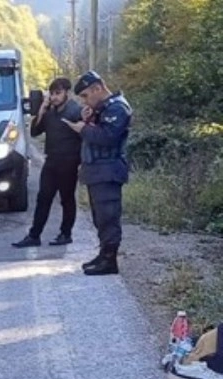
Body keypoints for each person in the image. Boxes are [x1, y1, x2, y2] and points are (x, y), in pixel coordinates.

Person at [65, 70, 133, 276]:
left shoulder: (118, 108)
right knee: (100, 217)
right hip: (97, 170)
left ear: (97, 88)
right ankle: (104, 254)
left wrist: (82, 129)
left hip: (108, 170)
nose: (84, 100)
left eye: (86, 95)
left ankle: (110, 260)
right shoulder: (103, 108)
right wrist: (88, 119)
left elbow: (107, 137)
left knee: (108, 217)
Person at [11, 77, 83, 248]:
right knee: (43, 198)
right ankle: (34, 236)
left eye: (58, 93)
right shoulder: (50, 112)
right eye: (52, 93)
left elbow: (84, 136)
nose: (54, 97)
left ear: (67, 93)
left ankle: (65, 234)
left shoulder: (76, 111)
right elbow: (35, 131)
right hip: (51, 161)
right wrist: (42, 110)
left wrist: (81, 162)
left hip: (69, 161)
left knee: (66, 199)